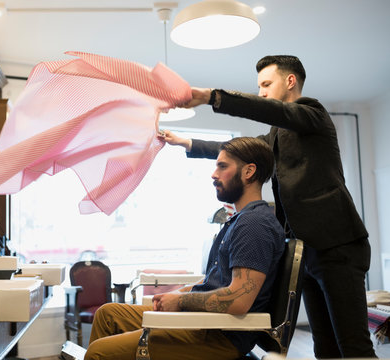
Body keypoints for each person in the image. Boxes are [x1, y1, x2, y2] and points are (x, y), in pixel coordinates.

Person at [159, 55, 376, 358]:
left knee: (354, 348)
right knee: (325, 348)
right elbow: (236, 152)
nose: (261, 92)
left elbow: (268, 109)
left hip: (337, 246)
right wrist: (187, 143)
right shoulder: (275, 136)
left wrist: (211, 97)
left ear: (290, 82)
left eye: (266, 84)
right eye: (258, 86)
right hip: (307, 251)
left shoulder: (313, 114)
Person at [84, 137, 285, 360]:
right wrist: (179, 293)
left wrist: (180, 302)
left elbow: (238, 300)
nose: (213, 174)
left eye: (222, 166)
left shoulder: (254, 224)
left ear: (249, 172)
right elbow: (214, 280)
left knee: (97, 352)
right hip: (203, 322)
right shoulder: (239, 220)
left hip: (218, 336)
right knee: (108, 314)